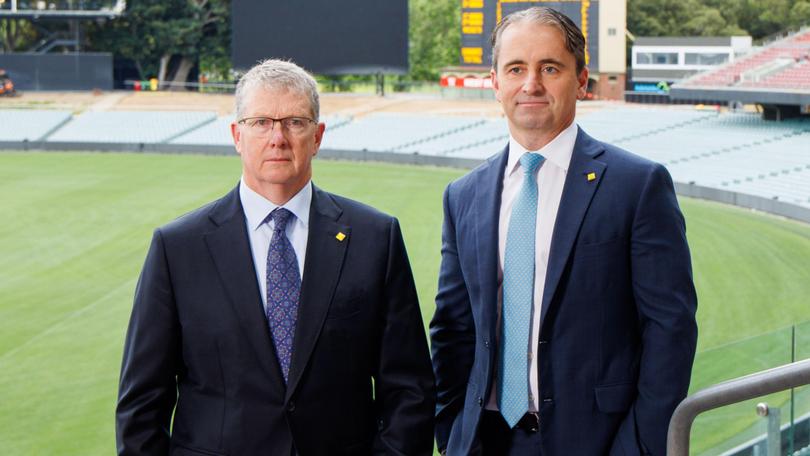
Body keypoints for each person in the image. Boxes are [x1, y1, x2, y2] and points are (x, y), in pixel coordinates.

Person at [116, 59, 435, 456]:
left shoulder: (375, 238)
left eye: (295, 122)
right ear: (237, 134)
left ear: (317, 136)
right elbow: (142, 407)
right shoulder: (177, 248)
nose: (278, 137)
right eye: (261, 122)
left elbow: (410, 392)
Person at [430, 7, 698, 455]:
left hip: (596, 442)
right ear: (496, 83)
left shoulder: (637, 185)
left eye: (549, 68)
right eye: (515, 68)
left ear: (580, 79)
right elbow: (452, 330)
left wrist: (638, 447)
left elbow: (670, 329)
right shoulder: (464, 196)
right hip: (484, 441)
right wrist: (452, 430)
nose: (530, 84)